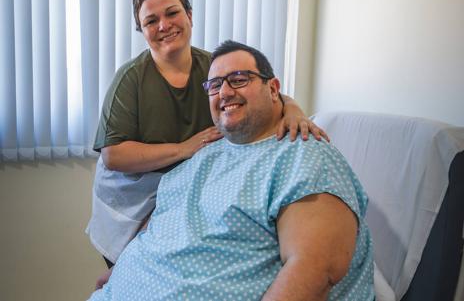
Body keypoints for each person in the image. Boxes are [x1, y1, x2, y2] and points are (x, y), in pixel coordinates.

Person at [88, 40, 374, 301]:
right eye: (214, 85)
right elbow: (165, 217)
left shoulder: (303, 157)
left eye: (239, 79)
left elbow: (315, 270)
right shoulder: (208, 151)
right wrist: (123, 268)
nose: (224, 92)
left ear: (274, 89)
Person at [86, 0, 329, 268]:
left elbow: (260, 90)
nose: (164, 25)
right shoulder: (130, 80)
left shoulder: (214, 67)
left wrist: (293, 110)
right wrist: (183, 149)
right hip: (133, 202)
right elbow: (113, 155)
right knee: (134, 269)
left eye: (172, 13)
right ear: (142, 31)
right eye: (151, 20)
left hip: (184, 194)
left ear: (189, 15)